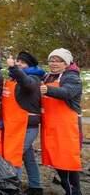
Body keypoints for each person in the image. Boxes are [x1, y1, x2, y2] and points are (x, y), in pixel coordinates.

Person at [40, 48, 82, 195]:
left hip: (67, 129)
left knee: (67, 164)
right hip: (51, 127)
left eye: (58, 61)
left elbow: (67, 92)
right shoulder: (49, 77)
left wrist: (47, 91)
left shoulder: (72, 77)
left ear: (66, 63)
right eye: (52, 60)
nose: (54, 63)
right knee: (58, 163)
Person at [3, 51, 44, 194]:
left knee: (14, 155)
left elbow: (27, 84)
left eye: (22, 62)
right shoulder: (14, 79)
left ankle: (14, 188)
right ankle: (36, 186)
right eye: (17, 61)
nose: (18, 63)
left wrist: (13, 68)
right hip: (15, 124)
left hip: (28, 125)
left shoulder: (34, 78)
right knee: (28, 157)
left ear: (30, 65)